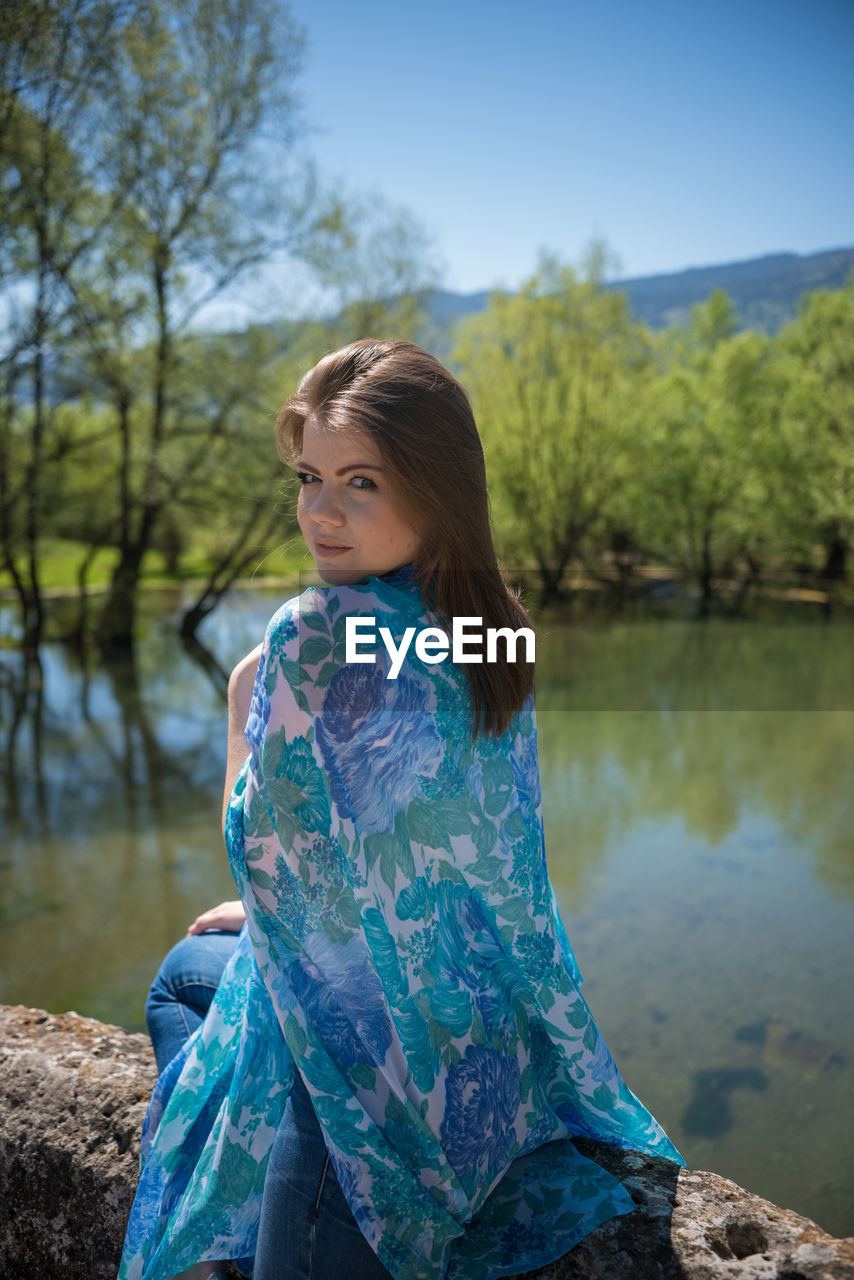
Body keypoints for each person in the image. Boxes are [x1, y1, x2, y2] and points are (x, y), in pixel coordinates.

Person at [119, 339, 684, 1280]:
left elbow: (255, 853)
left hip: (363, 1108)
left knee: (182, 978)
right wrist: (273, 918)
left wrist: (238, 706)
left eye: (362, 482)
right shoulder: (493, 624)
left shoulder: (309, 636)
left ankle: (237, 1189)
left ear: (434, 488)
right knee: (209, 963)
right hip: (488, 1067)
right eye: (309, 477)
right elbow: (463, 854)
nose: (320, 513)